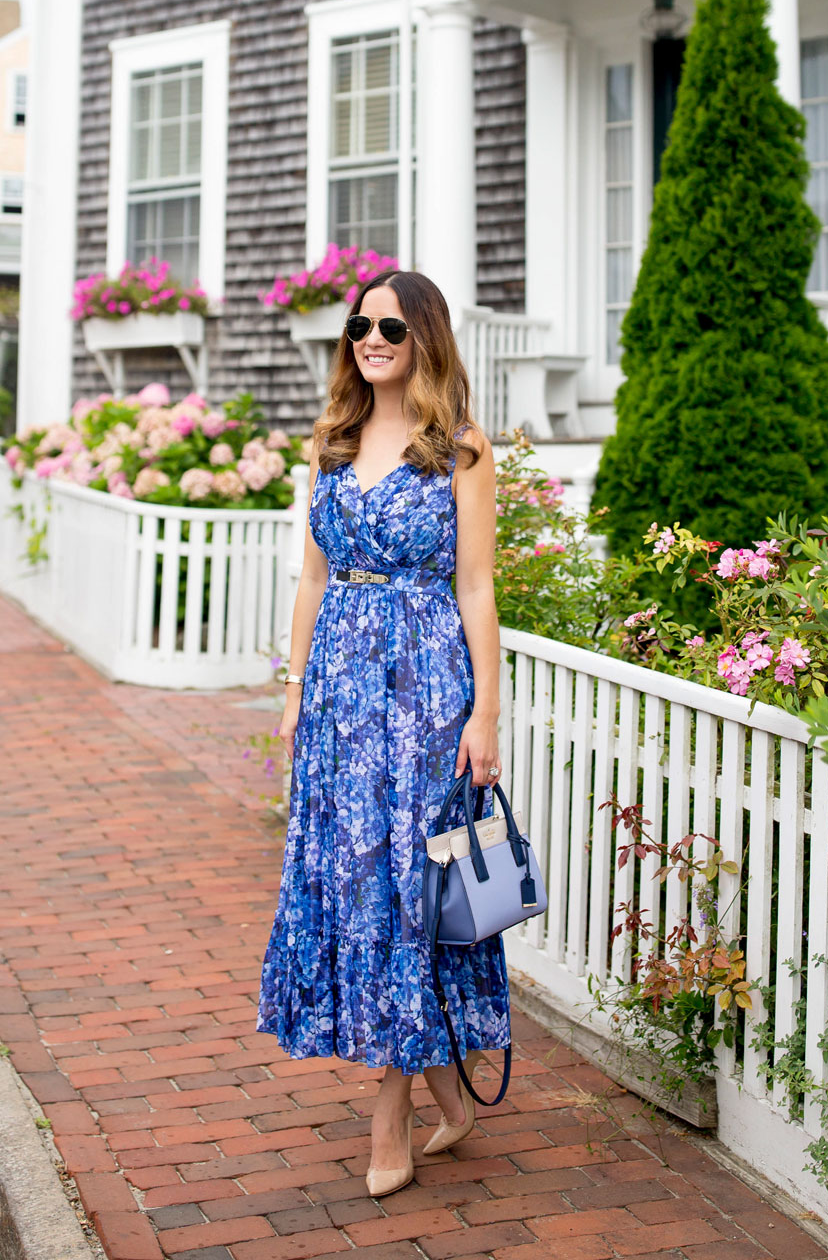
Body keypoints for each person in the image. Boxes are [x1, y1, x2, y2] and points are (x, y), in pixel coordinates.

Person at [256, 269, 510, 1197]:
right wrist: (293, 690)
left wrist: (485, 714)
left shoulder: (462, 452)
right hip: (338, 699)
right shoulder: (331, 443)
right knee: (357, 884)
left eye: (390, 328)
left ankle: (388, 1115)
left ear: (424, 340)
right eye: (359, 325)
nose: (370, 338)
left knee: (406, 887)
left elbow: (476, 589)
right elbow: (314, 581)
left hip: (424, 692)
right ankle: (451, 1097)